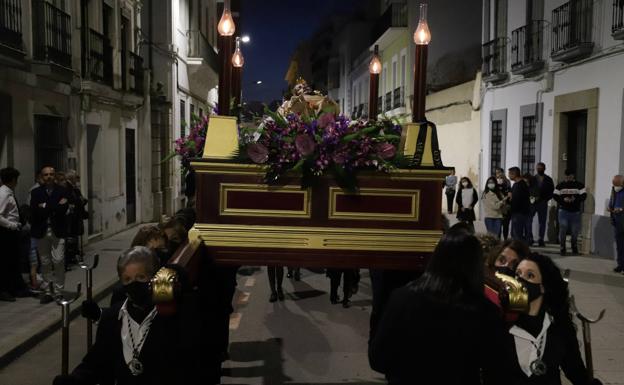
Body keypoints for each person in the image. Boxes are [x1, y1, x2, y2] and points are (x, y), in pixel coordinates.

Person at [369, 226, 507, 385]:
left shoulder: (402, 298)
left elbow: (378, 359)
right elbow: (496, 371)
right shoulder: (486, 312)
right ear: (476, 265)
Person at [53, 246, 203, 385]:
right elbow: (96, 362)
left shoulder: (172, 315)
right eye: (127, 279)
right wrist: (75, 379)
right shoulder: (112, 318)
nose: (134, 284)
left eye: (141, 277)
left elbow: (190, 361)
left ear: (155, 279)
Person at [505, 253, 601, 385]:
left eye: (530, 275)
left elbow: (576, 371)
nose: (520, 280)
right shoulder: (502, 325)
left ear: (543, 287)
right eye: (518, 274)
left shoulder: (558, 329)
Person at [30, 166, 72, 304]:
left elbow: (63, 209)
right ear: (42, 177)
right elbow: (34, 212)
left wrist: (45, 206)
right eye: (46, 174)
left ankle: (59, 291)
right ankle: (49, 291)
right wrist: (54, 206)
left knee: (58, 261)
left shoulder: (63, 191)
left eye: (51, 174)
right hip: (42, 231)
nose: (49, 176)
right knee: (45, 262)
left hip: (58, 231)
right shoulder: (36, 192)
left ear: (54, 176)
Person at [0, 167, 29, 301]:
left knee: (13, 261)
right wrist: (13, 225)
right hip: (6, 233)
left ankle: (14, 288)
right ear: (13, 180)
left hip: (10, 233)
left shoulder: (7, 192)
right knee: (6, 261)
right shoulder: (4, 194)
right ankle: (4, 290)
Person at [553, 170, 586, 256]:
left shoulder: (579, 185)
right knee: (563, 228)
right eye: (567, 176)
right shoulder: (560, 185)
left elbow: (584, 196)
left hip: (575, 212)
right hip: (563, 211)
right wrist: (563, 200)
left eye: (570, 176)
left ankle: (574, 245)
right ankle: (562, 247)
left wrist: (575, 199)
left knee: (575, 231)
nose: (568, 178)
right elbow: (555, 196)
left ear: (573, 176)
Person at [65, 170, 88, 267]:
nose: (77, 179)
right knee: (71, 236)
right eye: (75, 177)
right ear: (71, 178)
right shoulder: (68, 188)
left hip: (76, 217)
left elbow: (81, 199)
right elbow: (75, 201)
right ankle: (71, 256)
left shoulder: (74, 188)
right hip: (72, 218)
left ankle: (74, 253)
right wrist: (80, 201)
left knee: (75, 236)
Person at [531, 163, 555, 247]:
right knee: (529, 220)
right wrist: (532, 199)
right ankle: (530, 238)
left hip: (543, 203)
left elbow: (552, 191)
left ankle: (541, 239)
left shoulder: (548, 179)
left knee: (542, 222)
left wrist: (546, 199)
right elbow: (529, 189)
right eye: (538, 168)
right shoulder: (533, 179)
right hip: (533, 203)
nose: (539, 169)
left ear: (544, 168)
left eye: (541, 168)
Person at [508, 167, 532, 242]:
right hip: (517, 213)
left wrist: (510, 199)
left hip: (519, 214)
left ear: (514, 174)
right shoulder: (516, 184)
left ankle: (519, 251)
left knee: (517, 235)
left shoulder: (521, 185)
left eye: (509, 174)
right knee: (514, 234)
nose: (508, 176)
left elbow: (517, 200)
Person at [608, 175, 624, 274]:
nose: (615, 187)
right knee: (620, 245)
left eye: (617, 185)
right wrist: (610, 207)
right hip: (617, 222)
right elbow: (612, 201)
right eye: (614, 185)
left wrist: (622, 209)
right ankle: (620, 265)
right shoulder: (614, 190)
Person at [496, 168, 513, 240]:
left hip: (506, 206)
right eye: (497, 173)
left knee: (506, 225)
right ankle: (498, 239)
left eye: (499, 172)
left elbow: (509, 193)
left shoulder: (507, 182)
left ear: (503, 173)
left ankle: (505, 239)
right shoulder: (494, 182)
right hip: (498, 206)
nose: (498, 174)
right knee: (498, 225)